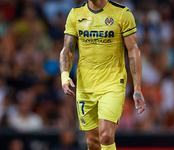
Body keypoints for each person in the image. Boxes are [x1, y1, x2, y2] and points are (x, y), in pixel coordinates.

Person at [59, 0, 146, 149]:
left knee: (105, 136)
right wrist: (64, 76)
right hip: (85, 87)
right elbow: (67, 49)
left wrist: (137, 87)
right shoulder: (75, 14)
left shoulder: (122, 13)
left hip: (112, 84)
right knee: (93, 142)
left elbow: (133, 50)